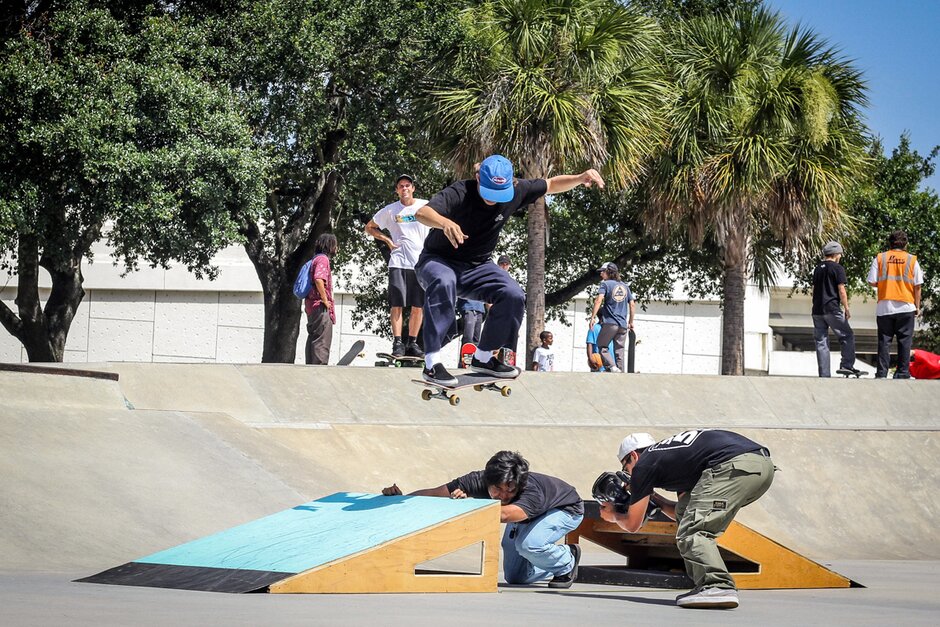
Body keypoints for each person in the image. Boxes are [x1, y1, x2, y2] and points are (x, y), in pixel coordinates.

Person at [414, 154, 604, 386]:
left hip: (478, 267)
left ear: (511, 183)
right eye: (489, 193)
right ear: (477, 179)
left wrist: (579, 177)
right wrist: (445, 223)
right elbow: (422, 213)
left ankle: (483, 358)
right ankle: (432, 363)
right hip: (438, 261)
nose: (493, 201)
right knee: (444, 281)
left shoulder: (517, 190)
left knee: (513, 295)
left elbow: (551, 184)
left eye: (499, 195)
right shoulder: (460, 191)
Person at [601, 430, 775, 609]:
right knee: (688, 515)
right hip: (761, 467)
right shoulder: (673, 457)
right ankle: (708, 586)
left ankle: (717, 585)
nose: (629, 473)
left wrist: (613, 515)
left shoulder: (643, 465)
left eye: (625, 468)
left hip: (732, 465)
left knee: (693, 531)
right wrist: (654, 499)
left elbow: (632, 524)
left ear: (633, 456)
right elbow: (683, 511)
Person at [381, 450, 584, 588]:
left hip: (564, 509)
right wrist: (402, 498)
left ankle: (566, 562)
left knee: (529, 544)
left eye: (510, 491)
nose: (503, 495)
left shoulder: (531, 491)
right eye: (497, 489)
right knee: (516, 578)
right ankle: (557, 560)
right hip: (527, 516)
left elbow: (504, 514)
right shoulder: (475, 480)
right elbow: (436, 493)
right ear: (488, 480)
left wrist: (465, 504)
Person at [365, 174, 430, 358]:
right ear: (397, 190)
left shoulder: (425, 206)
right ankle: (398, 342)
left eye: (407, 185)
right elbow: (369, 227)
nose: (404, 189)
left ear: (413, 188)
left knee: (419, 306)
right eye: (401, 186)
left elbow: (442, 221)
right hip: (398, 262)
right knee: (397, 304)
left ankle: (412, 342)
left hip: (420, 263)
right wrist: (386, 239)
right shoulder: (391, 210)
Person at [867, 230, 924, 378]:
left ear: (890, 243)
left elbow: (872, 281)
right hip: (906, 306)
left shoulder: (880, 258)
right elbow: (918, 285)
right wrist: (917, 306)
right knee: (904, 341)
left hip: (884, 307)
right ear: (906, 244)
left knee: (884, 341)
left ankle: (881, 373)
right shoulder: (912, 260)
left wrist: (885, 283)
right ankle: (902, 373)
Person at [811, 241, 861, 377]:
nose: (840, 256)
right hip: (832, 308)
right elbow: (841, 290)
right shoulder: (837, 268)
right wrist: (846, 308)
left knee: (821, 342)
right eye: (840, 254)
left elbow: (814, 290)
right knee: (847, 335)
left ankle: (824, 374)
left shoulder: (817, 268)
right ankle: (847, 365)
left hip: (817, 310)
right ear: (836, 254)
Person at [588, 262, 634, 373]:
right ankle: (621, 372)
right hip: (623, 325)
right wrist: (630, 322)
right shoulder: (625, 286)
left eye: (602, 272)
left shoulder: (605, 284)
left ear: (609, 272)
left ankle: (612, 366)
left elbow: (598, 300)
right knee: (620, 350)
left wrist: (592, 317)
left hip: (610, 323)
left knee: (601, 345)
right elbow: (632, 304)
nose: (601, 274)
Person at [304, 233, 338, 365]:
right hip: (320, 307)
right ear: (330, 245)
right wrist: (325, 300)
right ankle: (319, 370)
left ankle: (311, 367)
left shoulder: (315, 259)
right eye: (335, 244)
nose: (337, 248)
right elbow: (319, 279)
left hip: (311, 306)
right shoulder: (323, 260)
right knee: (322, 341)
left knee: (313, 338)